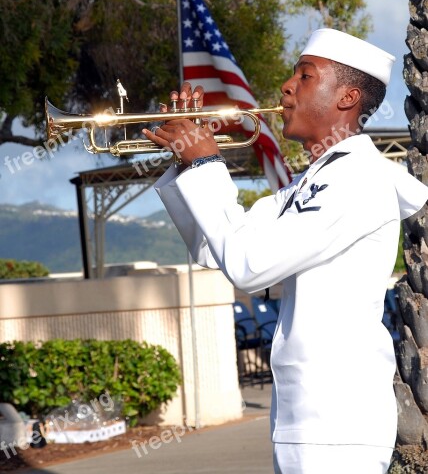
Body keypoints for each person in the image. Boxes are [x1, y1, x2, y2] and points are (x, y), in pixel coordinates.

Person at [144, 28, 428, 474]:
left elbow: (247, 266)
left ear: (347, 98)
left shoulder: (361, 180)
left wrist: (204, 164)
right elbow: (213, 248)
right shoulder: (306, 183)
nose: (286, 86)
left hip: (338, 421)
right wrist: (184, 160)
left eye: (306, 75)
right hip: (301, 416)